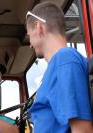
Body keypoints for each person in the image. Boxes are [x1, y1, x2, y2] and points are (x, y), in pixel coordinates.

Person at [25, 2, 93, 133]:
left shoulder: (65, 59)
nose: (30, 45)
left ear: (38, 27)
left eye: (29, 36)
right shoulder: (61, 63)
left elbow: (82, 130)